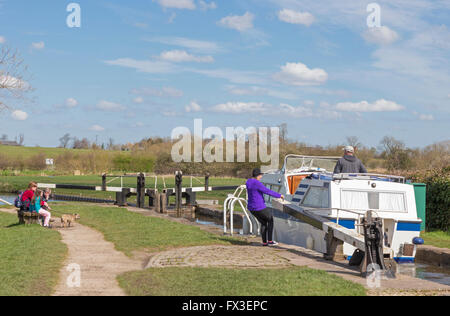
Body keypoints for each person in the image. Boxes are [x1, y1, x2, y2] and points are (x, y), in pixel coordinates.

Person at [246, 168, 284, 247]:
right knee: (270, 219)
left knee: (263, 223)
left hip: (251, 208)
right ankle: (270, 241)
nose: (261, 177)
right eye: (261, 175)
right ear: (258, 175)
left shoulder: (248, 182)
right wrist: (279, 195)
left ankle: (264, 242)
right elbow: (267, 191)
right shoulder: (257, 183)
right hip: (259, 206)